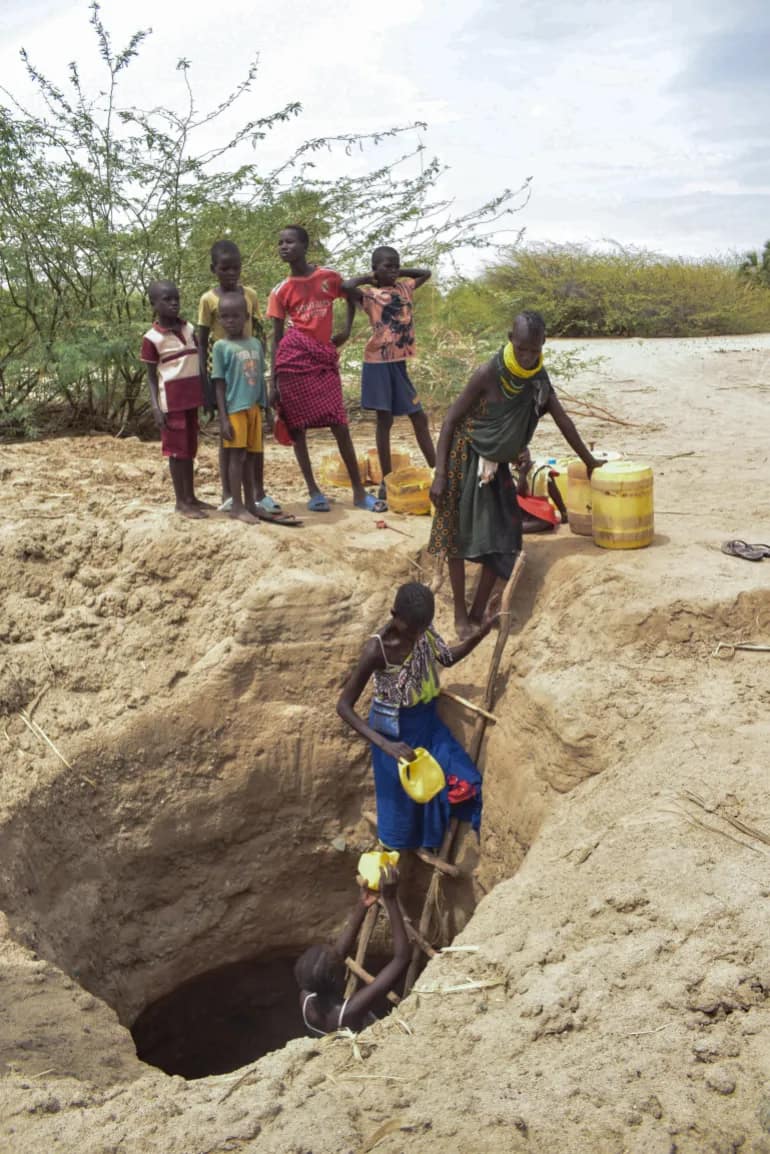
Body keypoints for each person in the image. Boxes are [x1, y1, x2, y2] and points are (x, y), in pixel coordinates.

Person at [429, 310, 604, 637]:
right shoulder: (488, 373)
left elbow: (565, 422)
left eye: (534, 351)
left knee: (504, 538)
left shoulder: (538, 381)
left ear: (542, 346)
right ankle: (459, 615)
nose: (526, 357)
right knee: (456, 535)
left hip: (496, 468)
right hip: (463, 460)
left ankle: (479, 611)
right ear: (511, 340)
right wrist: (439, 474)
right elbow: (451, 420)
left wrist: (590, 462)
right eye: (521, 349)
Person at [337, 581, 495, 851]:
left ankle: (428, 842)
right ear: (394, 615)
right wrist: (387, 746)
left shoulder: (422, 628)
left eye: (422, 630)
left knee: (464, 781)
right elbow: (343, 706)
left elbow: (446, 658)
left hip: (428, 724)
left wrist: (481, 633)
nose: (416, 638)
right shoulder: (378, 650)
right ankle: (390, 880)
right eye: (411, 632)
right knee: (399, 818)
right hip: (393, 734)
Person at [267, 225, 387, 514]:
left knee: (339, 424)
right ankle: (313, 490)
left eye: (290, 242)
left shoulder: (328, 277)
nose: (284, 247)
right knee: (297, 428)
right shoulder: (280, 291)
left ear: (305, 246)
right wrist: (273, 381)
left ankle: (359, 492)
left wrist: (345, 329)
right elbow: (277, 336)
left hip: (323, 360)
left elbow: (350, 294)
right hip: (293, 362)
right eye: (280, 242)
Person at [342, 247, 435, 495]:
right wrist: (371, 277)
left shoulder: (404, 288)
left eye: (396, 265)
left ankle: (438, 471)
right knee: (385, 420)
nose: (393, 270)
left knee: (419, 417)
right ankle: (386, 480)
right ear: (375, 268)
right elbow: (346, 285)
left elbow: (425, 272)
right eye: (387, 266)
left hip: (399, 363)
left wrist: (396, 271)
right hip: (377, 364)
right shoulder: (370, 295)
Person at [197, 239, 280, 516]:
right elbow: (202, 340)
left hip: (250, 371)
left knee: (254, 444)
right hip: (223, 372)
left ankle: (258, 493)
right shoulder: (208, 299)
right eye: (225, 269)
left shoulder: (251, 295)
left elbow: (258, 330)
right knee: (229, 439)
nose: (231, 273)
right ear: (214, 269)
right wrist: (204, 382)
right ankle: (229, 495)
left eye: (236, 268)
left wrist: (262, 364)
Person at [295, 866, 409, 1036]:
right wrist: (390, 900)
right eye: (336, 959)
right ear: (337, 977)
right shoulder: (349, 1012)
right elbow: (402, 958)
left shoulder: (307, 996)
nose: (338, 953)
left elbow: (337, 955)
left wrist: (362, 905)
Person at [140, 280, 210, 519]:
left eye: (176, 299)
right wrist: (156, 407)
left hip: (191, 398)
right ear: (153, 304)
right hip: (171, 403)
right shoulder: (152, 338)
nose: (173, 304)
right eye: (166, 300)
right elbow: (151, 377)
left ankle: (191, 497)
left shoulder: (189, 328)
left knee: (190, 450)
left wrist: (206, 393)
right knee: (177, 453)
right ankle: (181, 502)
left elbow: (200, 362)